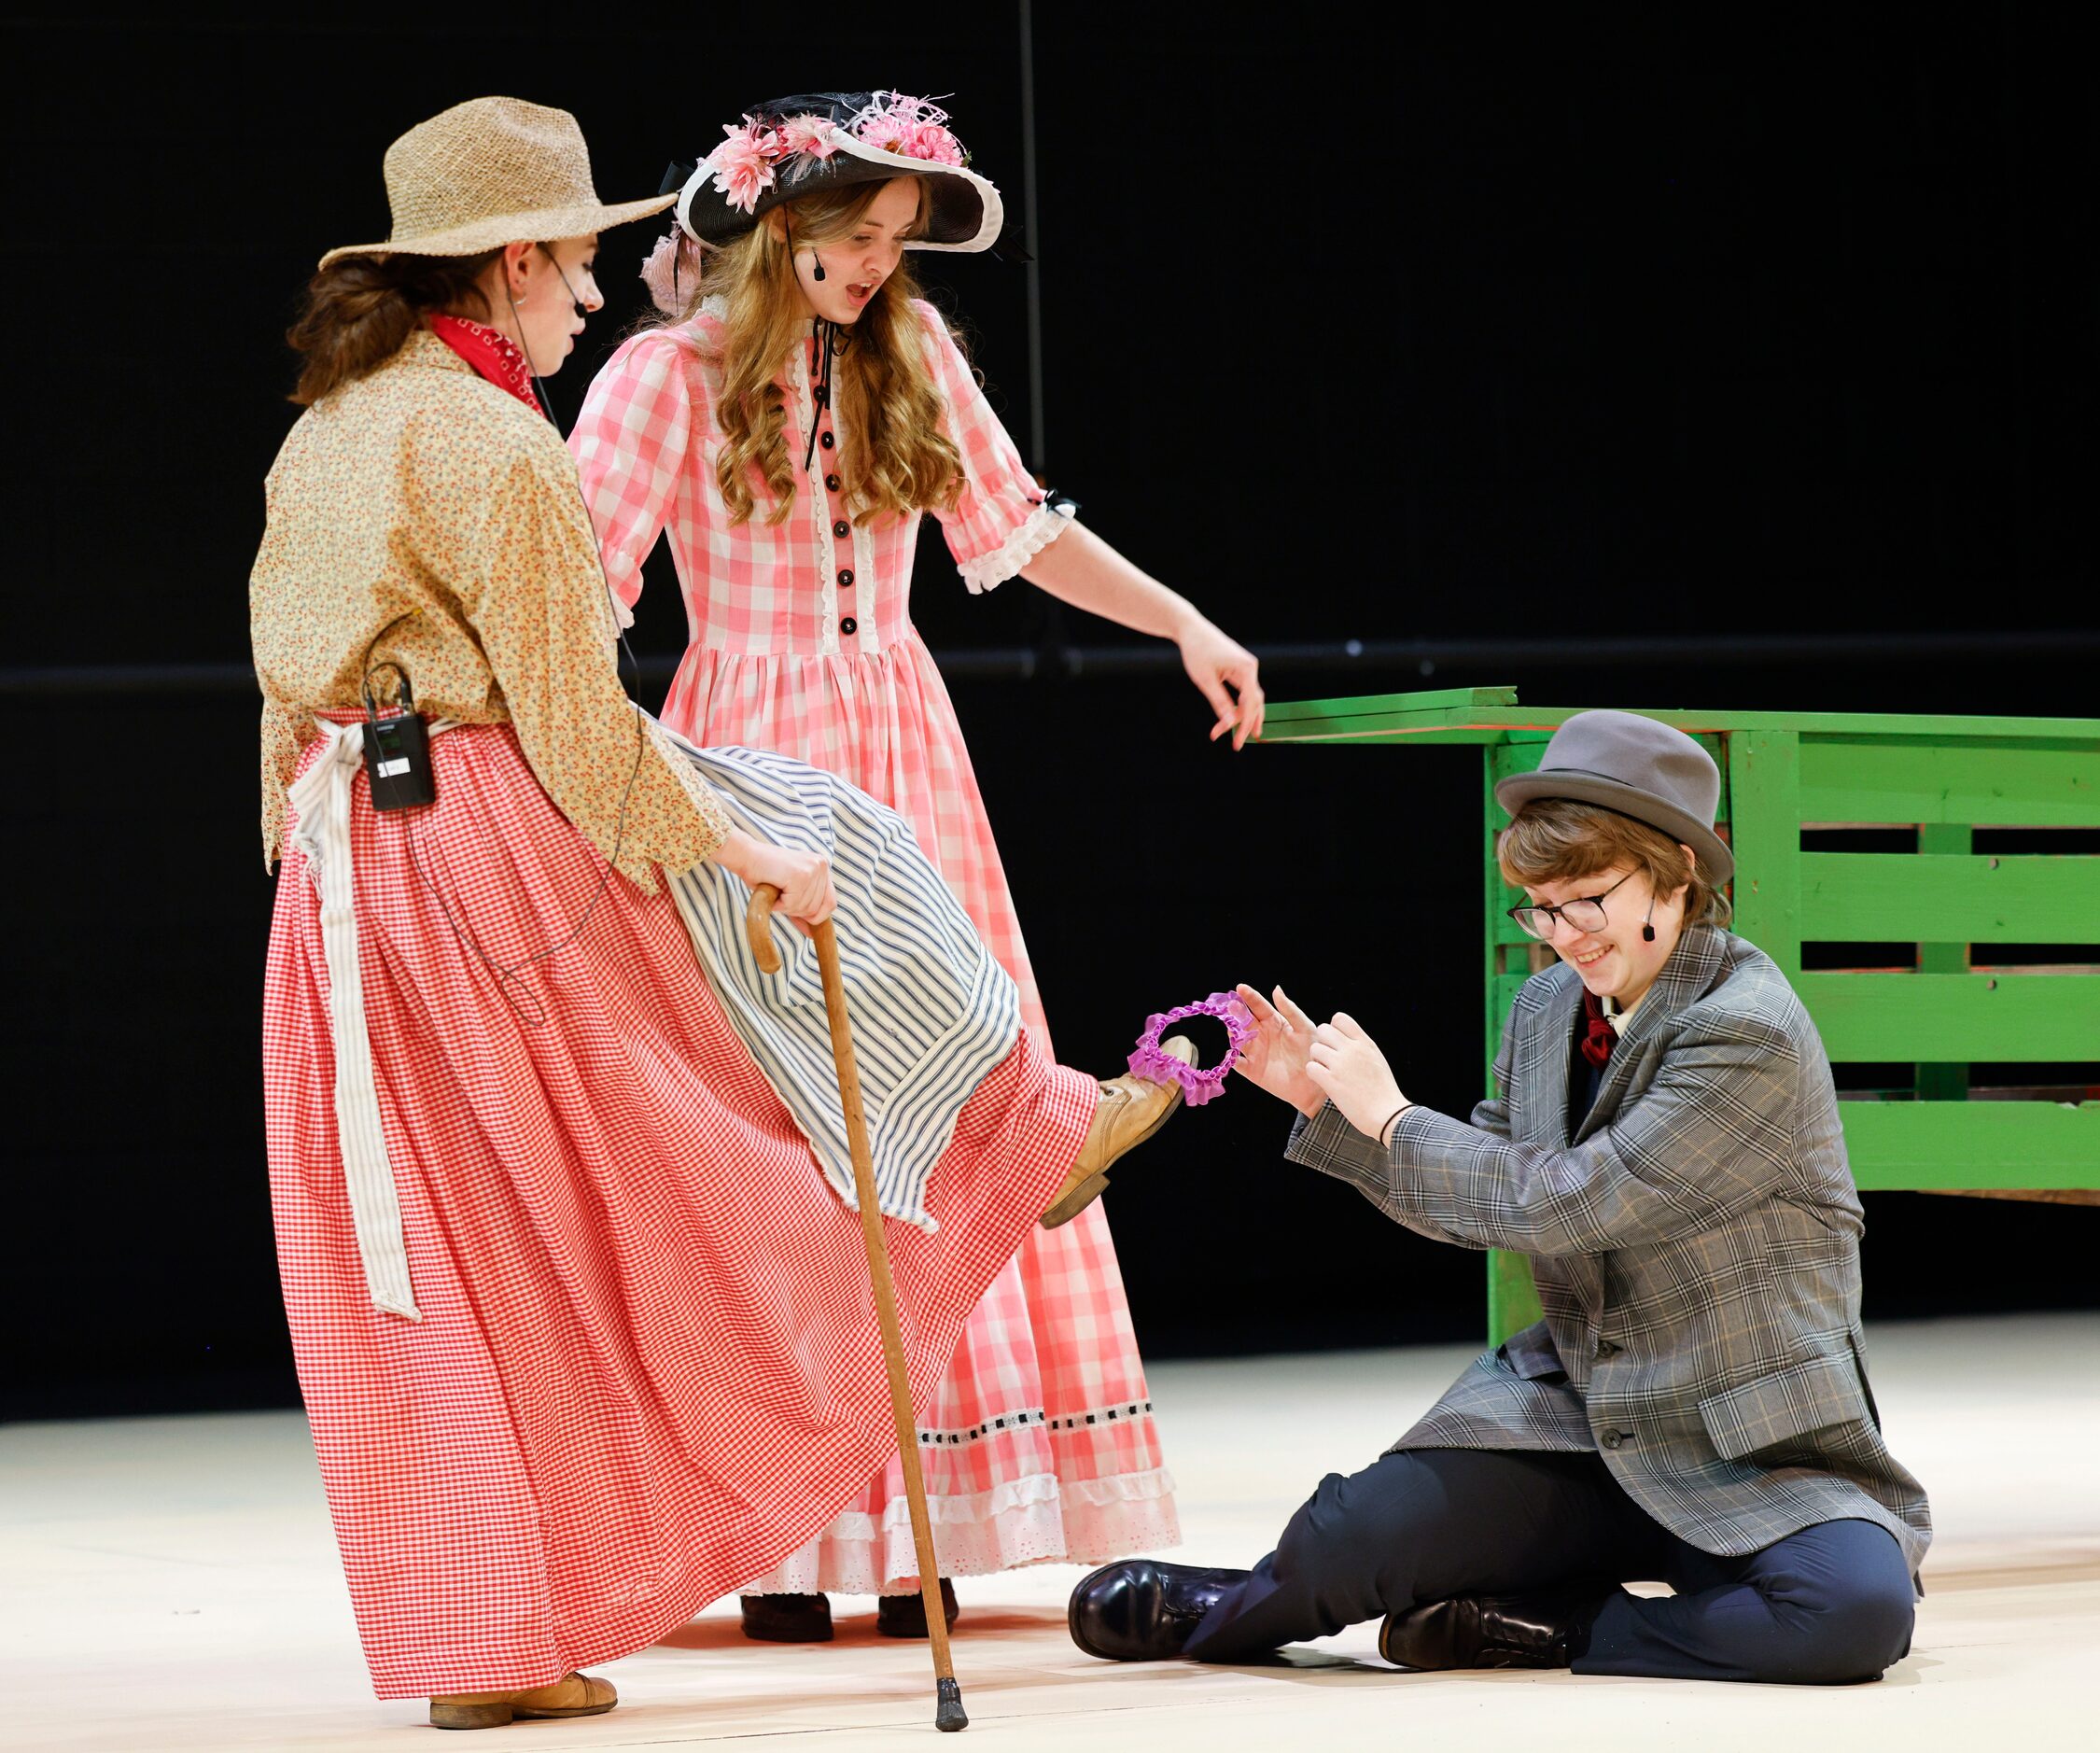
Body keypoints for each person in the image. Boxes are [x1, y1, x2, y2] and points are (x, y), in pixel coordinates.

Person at [254, 95, 1186, 1731]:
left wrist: (311, 864)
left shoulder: (328, 424)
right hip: (489, 827)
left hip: (346, 867)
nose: (603, 290)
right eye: (580, 267)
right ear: (518, 262)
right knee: (696, 1143)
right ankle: (1018, 1124)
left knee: (433, 1259)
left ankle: (492, 1625)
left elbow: (282, 702)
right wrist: (735, 856)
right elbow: (575, 714)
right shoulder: (501, 439)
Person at [569, 90, 1258, 1637]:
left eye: (896, 241)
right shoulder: (659, 379)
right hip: (740, 740)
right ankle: (792, 1530)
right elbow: (577, 594)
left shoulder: (914, 359)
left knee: (944, 1095)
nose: (878, 264)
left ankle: (918, 1516)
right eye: (854, 234)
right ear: (773, 225)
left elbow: (1016, 529)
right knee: (777, 1118)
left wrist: (1183, 622)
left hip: (898, 744)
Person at [1066, 711, 1933, 1684]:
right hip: (1583, 1415)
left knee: (1850, 1612)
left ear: (1679, 873)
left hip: (1753, 1443)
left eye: (1589, 901)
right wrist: (1328, 1105)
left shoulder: (1747, 1028)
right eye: (1540, 908)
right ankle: (1235, 1603)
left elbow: (1570, 1201)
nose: (1563, 937)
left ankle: (1552, 1627)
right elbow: (1490, 1192)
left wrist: (1392, 1117)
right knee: (1353, 1533)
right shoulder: (1545, 1008)